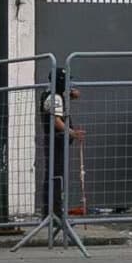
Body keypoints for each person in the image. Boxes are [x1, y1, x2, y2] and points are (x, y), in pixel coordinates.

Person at [40, 68, 84, 217]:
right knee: (56, 176)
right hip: (56, 141)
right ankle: (54, 212)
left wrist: (71, 94)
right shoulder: (54, 98)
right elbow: (56, 121)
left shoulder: (54, 95)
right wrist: (72, 132)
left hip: (56, 141)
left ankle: (51, 211)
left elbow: (67, 95)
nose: (69, 85)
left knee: (54, 175)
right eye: (66, 82)